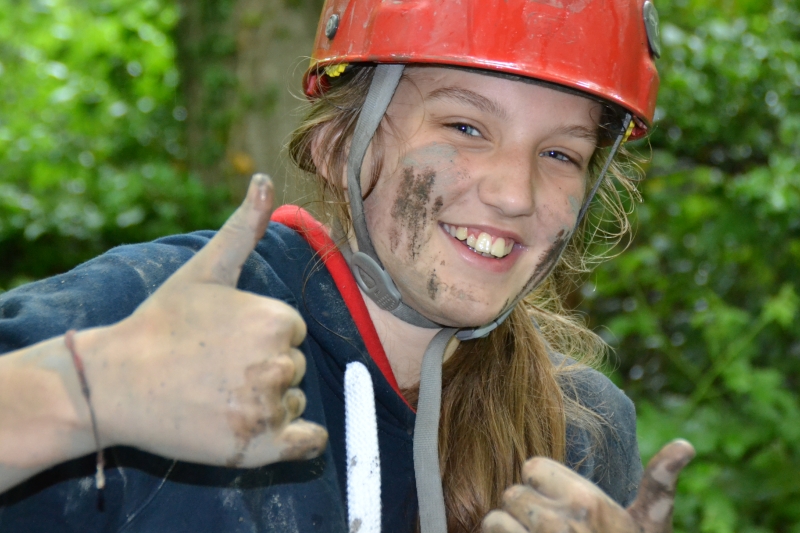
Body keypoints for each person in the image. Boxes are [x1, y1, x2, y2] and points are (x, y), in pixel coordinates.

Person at [0, 0, 696, 531]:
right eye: (465, 126)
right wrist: (78, 397)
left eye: (561, 154)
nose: (515, 193)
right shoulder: (155, 323)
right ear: (341, 143)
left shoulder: (580, 429)